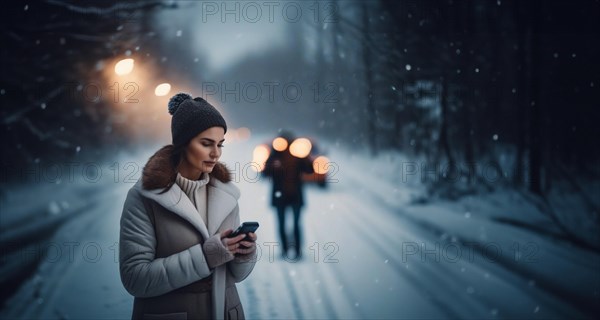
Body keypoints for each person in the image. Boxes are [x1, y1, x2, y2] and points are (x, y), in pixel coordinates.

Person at [119, 93, 257, 320]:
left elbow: (235, 276)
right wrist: (206, 256)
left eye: (220, 144)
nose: (216, 153)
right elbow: (136, 279)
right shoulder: (144, 197)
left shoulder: (226, 194)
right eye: (206, 143)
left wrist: (243, 254)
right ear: (183, 143)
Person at [263, 131, 313, 260]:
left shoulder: (298, 154)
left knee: (296, 224)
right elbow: (264, 173)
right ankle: (285, 250)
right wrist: (273, 166)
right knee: (282, 224)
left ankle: (297, 251)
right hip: (281, 197)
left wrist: (305, 156)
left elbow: (309, 169)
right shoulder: (274, 155)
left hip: (295, 196)